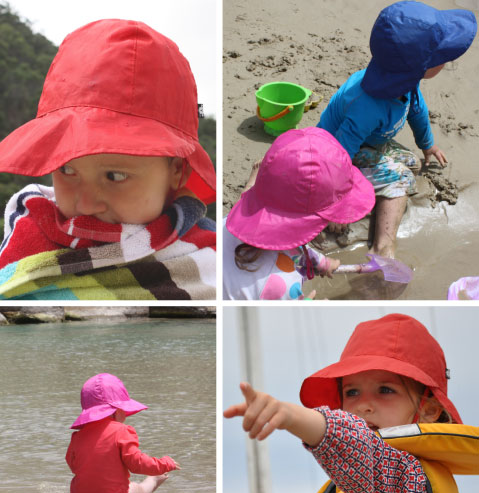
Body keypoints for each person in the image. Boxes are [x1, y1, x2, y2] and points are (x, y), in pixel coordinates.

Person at [0, 19, 216, 300]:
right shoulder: (27, 223)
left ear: (177, 170)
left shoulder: (209, 258)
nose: (85, 204)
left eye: (114, 176)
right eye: (66, 169)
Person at [224, 313, 479, 493]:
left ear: (430, 411)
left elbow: (356, 445)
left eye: (385, 390)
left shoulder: (408, 484)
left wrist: (292, 416)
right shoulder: (365, 480)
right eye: (352, 392)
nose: (363, 406)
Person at [317, 1, 477, 258]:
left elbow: (417, 111)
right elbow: (339, 154)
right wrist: (336, 202)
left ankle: (370, 192)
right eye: (440, 57)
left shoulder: (403, 81)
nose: (446, 62)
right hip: (331, 153)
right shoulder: (367, 106)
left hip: (364, 144)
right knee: (402, 176)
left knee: (411, 163)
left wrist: (428, 145)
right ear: (418, 67)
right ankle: (383, 246)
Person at [223, 127, 375, 300]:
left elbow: (291, 246)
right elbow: (284, 320)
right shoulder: (281, 286)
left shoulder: (234, 220)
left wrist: (320, 262)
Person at [66, 373, 181, 493]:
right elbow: (137, 464)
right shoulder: (121, 431)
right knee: (136, 488)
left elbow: (73, 465)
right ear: (115, 410)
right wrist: (164, 464)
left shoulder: (78, 436)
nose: (126, 415)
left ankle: (152, 479)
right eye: (124, 410)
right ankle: (153, 480)